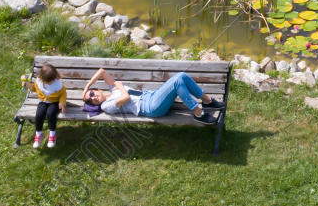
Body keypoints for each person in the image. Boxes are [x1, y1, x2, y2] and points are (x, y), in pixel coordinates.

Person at [82, 68, 220, 124]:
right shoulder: (106, 106)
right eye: (91, 101)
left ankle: (207, 101)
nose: (93, 98)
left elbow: (102, 71)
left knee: (181, 75)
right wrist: (120, 86)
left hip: (152, 96)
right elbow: (125, 98)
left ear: (98, 89)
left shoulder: (112, 88)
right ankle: (198, 112)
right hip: (150, 107)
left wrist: (87, 86)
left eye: (92, 94)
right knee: (177, 82)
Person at [27, 62, 66, 149]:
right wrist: (29, 86)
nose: (49, 83)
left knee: (50, 114)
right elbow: (35, 88)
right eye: (48, 82)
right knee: (39, 114)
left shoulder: (57, 84)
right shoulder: (39, 81)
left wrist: (62, 102)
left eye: (51, 82)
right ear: (42, 78)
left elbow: (63, 94)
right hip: (43, 101)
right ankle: (39, 134)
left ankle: (52, 135)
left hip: (54, 102)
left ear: (55, 77)